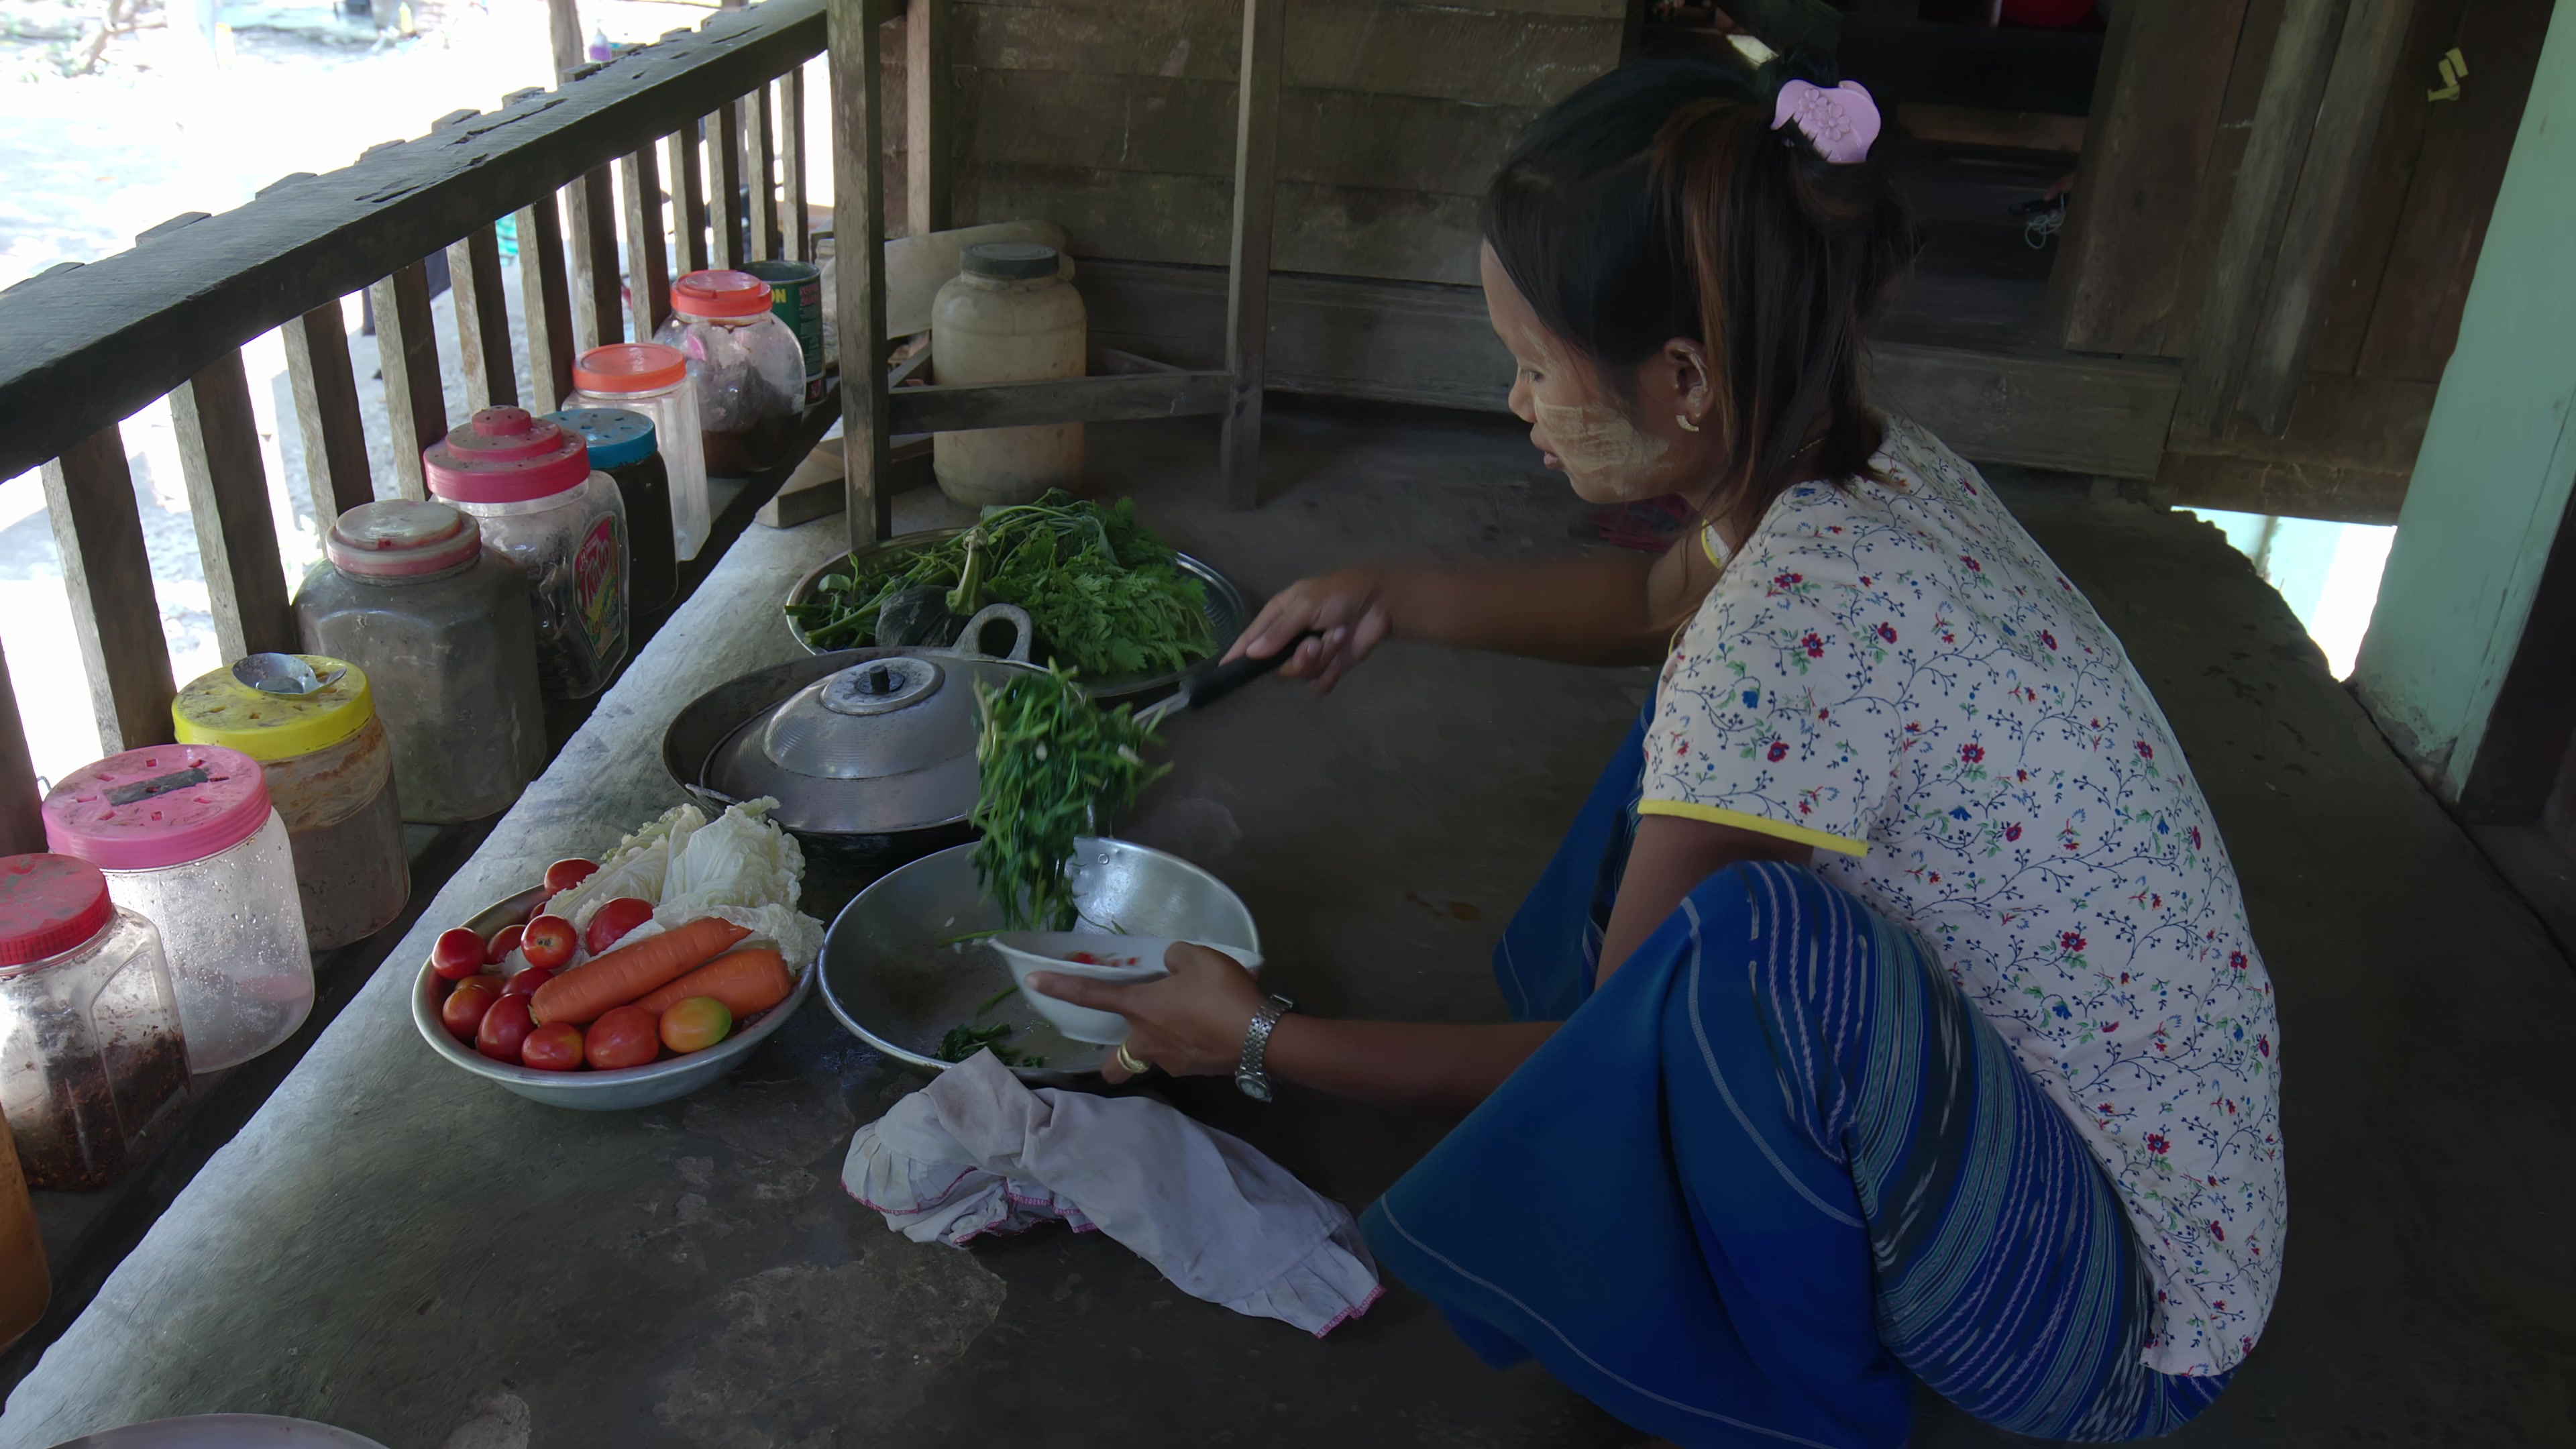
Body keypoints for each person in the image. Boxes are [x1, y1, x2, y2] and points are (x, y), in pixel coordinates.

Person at [1030, 58, 2285, 1448]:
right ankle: (1660, 1156)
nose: (1516, 401)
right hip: (2120, 1174)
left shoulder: (1782, 632)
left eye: (1534, 366)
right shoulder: (1857, 462)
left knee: (1755, 943)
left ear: (1684, 377)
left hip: (2120, 1322)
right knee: (1690, 740)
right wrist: (1392, 596)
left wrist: (1263, 1038)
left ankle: (1803, 1406)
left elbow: (1607, 1053)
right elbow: (1652, 601)